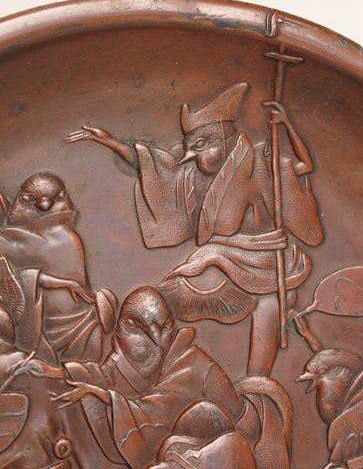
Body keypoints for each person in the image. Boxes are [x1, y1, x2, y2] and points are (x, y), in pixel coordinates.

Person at [65, 83, 323, 375]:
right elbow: (155, 165)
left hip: (266, 260)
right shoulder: (195, 173)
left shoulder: (262, 162)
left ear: (222, 140)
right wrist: (113, 143)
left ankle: (257, 385)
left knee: (267, 315)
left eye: (199, 146)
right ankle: (141, 365)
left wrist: (287, 124)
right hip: (220, 258)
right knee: (168, 296)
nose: (192, 157)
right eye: (190, 150)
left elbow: (304, 165)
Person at [27, 286, 292, 469]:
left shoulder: (195, 365)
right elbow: (98, 376)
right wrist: (54, 372)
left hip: (219, 448)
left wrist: (106, 397)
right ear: (123, 328)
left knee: (205, 412)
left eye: (163, 327)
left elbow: (241, 423)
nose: (154, 339)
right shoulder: (119, 364)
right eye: (140, 328)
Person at [0, 173, 117, 363]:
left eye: (58, 198)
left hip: (83, 319)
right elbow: (23, 277)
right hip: (41, 324)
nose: (45, 206)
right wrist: (65, 283)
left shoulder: (69, 237)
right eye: (29, 200)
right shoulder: (9, 240)